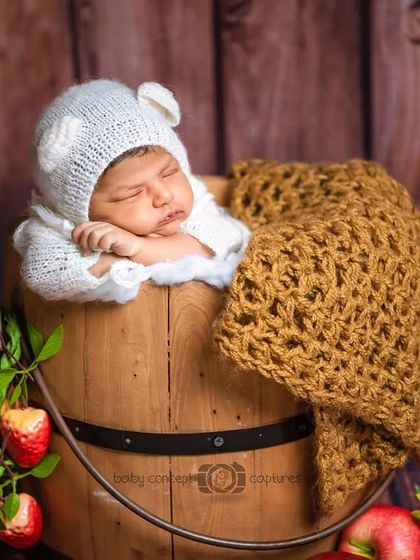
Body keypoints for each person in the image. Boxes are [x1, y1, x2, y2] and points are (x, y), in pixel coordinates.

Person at [13, 80, 249, 303]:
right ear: (82, 211)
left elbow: (222, 237)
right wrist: (109, 256)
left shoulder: (193, 200)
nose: (164, 196)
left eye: (169, 173)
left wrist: (138, 249)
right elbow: (43, 272)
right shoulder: (61, 227)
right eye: (132, 194)